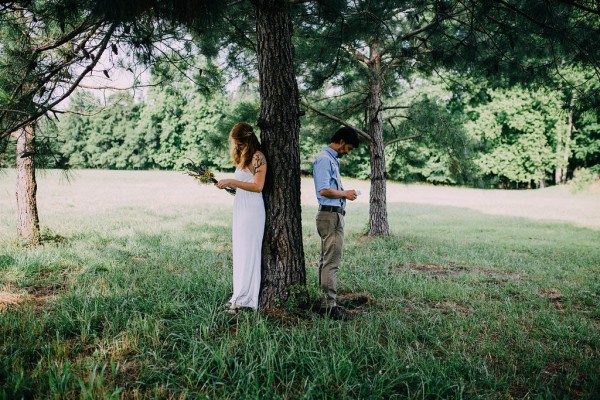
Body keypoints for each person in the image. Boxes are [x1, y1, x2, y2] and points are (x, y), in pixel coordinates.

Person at [216, 122, 267, 312]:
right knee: (240, 252)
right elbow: (242, 185)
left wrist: (232, 180)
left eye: (239, 143)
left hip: (253, 209)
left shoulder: (258, 157)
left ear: (247, 139)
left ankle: (247, 298)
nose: (236, 146)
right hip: (240, 207)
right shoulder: (244, 157)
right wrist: (228, 185)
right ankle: (238, 295)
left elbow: (257, 186)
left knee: (249, 252)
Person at [313, 126, 359, 321]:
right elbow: (323, 190)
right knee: (331, 262)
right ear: (340, 141)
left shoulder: (332, 160)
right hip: (329, 216)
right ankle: (329, 306)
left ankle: (325, 300)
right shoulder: (324, 159)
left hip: (335, 214)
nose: (347, 152)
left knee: (328, 260)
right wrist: (345, 193)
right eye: (347, 147)